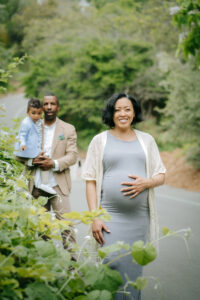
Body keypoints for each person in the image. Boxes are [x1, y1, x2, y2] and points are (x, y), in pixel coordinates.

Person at [82, 93, 166, 300]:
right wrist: (95, 216)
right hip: (109, 218)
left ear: (134, 112)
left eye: (127, 109)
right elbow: (90, 180)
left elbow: (161, 174)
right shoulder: (99, 140)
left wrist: (147, 182)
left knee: (132, 271)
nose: (122, 113)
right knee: (111, 264)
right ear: (111, 113)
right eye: (118, 109)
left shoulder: (146, 141)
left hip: (138, 219)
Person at [14, 98, 57, 195]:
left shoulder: (38, 122)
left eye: (39, 113)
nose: (36, 116)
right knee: (30, 167)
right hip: (26, 150)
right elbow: (22, 135)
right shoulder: (26, 123)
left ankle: (40, 183)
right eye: (33, 113)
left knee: (37, 165)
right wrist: (22, 144)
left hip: (34, 149)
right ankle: (21, 184)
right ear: (27, 112)